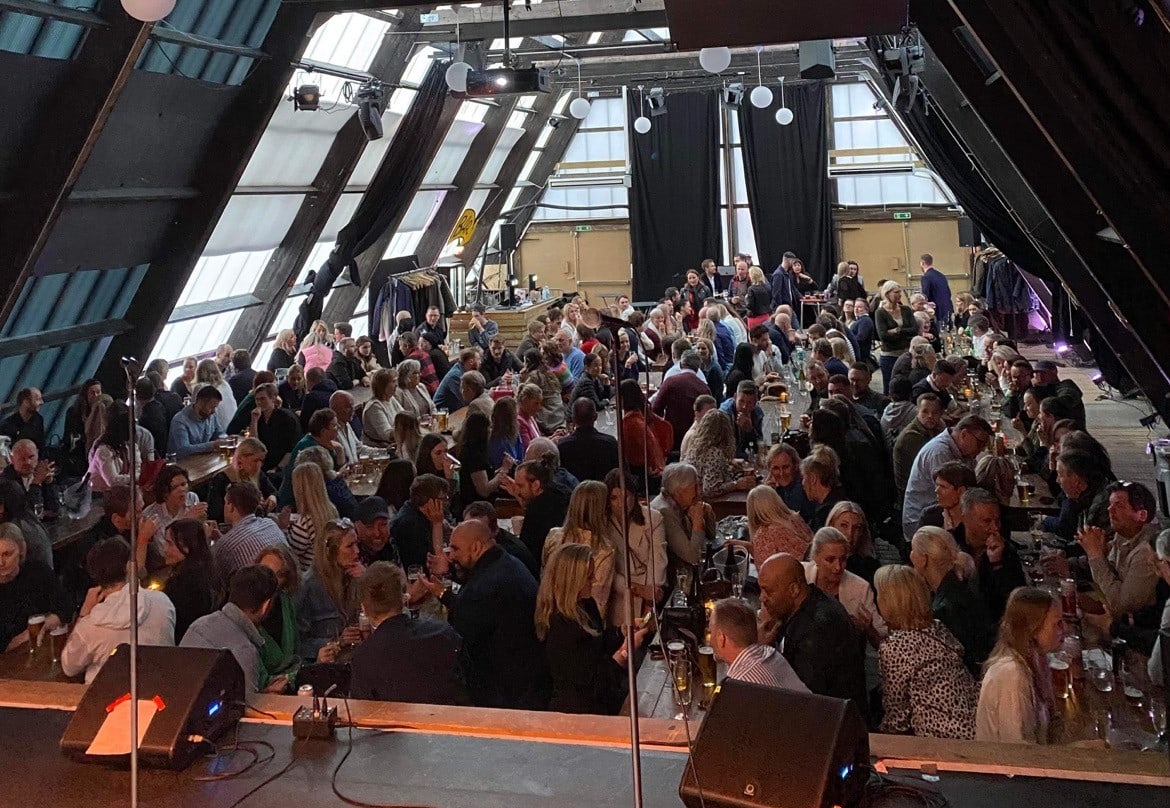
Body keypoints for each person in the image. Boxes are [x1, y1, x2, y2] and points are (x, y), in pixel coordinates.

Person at [414, 519, 547, 710]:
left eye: (455, 549)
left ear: (476, 547)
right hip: (528, 677)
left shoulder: (485, 587)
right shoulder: (507, 562)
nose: (451, 556)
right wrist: (443, 591)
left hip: (507, 694)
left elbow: (458, 636)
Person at [533, 542, 640, 714]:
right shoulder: (560, 626)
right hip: (579, 709)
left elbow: (598, 641)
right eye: (589, 577)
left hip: (603, 697)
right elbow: (593, 683)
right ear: (572, 581)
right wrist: (625, 652)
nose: (595, 580)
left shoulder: (586, 604)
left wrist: (622, 631)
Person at [874, 565, 978, 739]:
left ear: (889, 602)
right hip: (974, 722)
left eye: (879, 594)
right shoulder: (937, 627)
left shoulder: (894, 648)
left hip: (944, 738)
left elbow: (897, 718)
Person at [757, 553, 867, 708]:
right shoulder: (812, 600)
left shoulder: (815, 632)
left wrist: (762, 652)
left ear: (794, 590)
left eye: (768, 591)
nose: (761, 598)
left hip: (832, 716)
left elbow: (800, 699)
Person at [349, 562, 467, 704]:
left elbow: (362, 712)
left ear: (364, 608)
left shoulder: (363, 658)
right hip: (452, 716)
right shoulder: (442, 633)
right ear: (404, 598)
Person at [62, 538, 176, 683]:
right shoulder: (162, 602)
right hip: (160, 688)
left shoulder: (89, 626)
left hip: (106, 694)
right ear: (129, 566)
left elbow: (69, 667)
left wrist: (84, 613)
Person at [1056, 481, 1160, 620]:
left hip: (1136, 626)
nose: (1110, 509)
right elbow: (1109, 567)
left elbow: (1122, 605)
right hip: (1111, 612)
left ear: (1141, 515)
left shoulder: (1147, 552)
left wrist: (1095, 555)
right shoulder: (1124, 535)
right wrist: (1068, 564)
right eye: (1110, 504)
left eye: (1119, 505)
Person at [182, 565, 289, 694]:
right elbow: (243, 705)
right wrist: (271, 694)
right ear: (265, 605)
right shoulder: (245, 651)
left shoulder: (198, 625)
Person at [976, 588, 1063, 744]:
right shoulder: (1012, 676)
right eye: (1057, 624)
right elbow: (1019, 750)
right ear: (1034, 630)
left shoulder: (1038, 658)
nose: (1064, 629)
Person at [910, 526, 993, 674]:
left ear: (923, 559)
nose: (910, 556)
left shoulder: (942, 611)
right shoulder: (962, 586)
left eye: (913, 551)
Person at [902, 415, 993, 539]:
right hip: (922, 522)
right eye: (980, 443)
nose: (982, 449)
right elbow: (957, 496)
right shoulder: (940, 453)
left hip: (944, 510)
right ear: (964, 434)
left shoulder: (963, 451)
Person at [297, 518, 365, 661]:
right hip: (329, 663)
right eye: (350, 546)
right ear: (331, 553)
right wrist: (338, 641)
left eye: (356, 544)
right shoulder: (309, 587)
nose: (357, 551)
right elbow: (299, 644)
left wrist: (367, 580)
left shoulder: (357, 575)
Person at [708, 598, 808, 690]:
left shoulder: (739, 685)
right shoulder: (770, 653)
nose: (709, 641)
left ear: (721, 639)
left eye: (711, 631)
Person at [0, 528, 67, 651]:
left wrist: (54, 618)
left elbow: (66, 606)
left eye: (7, 554)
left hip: (46, 646)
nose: (1, 563)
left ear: (21, 550)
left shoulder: (38, 572)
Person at [500, 458, 571, 570]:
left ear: (536, 485)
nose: (517, 490)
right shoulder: (561, 491)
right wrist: (518, 495)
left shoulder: (538, 508)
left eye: (520, 486)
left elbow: (525, 551)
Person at [210, 483, 289, 584]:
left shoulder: (225, 545)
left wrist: (206, 540)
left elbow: (211, 577)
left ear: (231, 506)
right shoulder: (270, 523)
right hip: (289, 586)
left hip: (259, 591)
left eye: (225, 502)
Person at [161, 518, 218, 641]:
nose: (164, 549)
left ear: (187, 547)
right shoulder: (209, 571)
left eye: (170, 543)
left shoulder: (182, 585)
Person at [731, 485, 812, 570]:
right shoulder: (795, 517)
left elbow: (764, 571)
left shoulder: (764, 535)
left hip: (792, 575)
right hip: (810, 569)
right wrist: (749, 547)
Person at [682, 410, 754, 499]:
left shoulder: (696, 445)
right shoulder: (715, 453)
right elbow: (710, 490)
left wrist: (728, 469)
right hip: (701, 500)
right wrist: (736, 485)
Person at [651, 350, 710, 452]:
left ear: (681, 365)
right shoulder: (704, 388)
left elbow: (656, 408)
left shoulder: (670, 382)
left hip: (672, 435)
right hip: (694, 438)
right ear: (698, 368)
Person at [206, 438, 276, 523]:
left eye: (261, 461)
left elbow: (273, 492)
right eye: (255, 460)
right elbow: (214, 513)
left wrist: (272, 498)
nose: (259, 465)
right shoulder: (221, 479)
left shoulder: (258, 474)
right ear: (240, 458)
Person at [390, 474, 449, 571]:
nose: (446, 503)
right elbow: (434, 563)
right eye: (443, 499)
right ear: (430, 502)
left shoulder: (413, 510)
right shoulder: (411, 526)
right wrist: (437, 524)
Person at [557, 398, 619, 484]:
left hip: (574, 491)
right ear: (596, 416)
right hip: (603, 491)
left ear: (573, 419)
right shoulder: (610, 443)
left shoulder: (562, 446)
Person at [454, 412, 508, 511]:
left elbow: (486, 475)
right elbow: (484, 491)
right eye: (489, 427)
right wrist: (504, 470)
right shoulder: (474, 456)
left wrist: (501, 470)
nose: (491, 431)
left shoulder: (475, 450)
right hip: (478, 506)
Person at [874, 281, 919, 394]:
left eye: (900, 292)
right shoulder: (880, 312)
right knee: (889, 387)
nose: (899, 295)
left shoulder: (906, 310)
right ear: (887, 293)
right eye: (896, 292)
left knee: (907, 386)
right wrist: (905, 334)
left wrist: (897, 331)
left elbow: (914, 329)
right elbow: (883, 336)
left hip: (906, 354)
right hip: (889, 355)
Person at [87, 401, 140, 493]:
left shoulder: (129, 445)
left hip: (119, 492)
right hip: (98, 495)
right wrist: (135, 477)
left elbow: (137, 466)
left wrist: (134, 476)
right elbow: (112, 481)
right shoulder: (103, 449)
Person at [249, 383, 299, 475]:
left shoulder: (287, 418)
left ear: (273, 398)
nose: (259, 402)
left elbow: (292, 449)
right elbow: (254, 445)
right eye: (257, 399)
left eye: (262, 399)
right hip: (263, 463)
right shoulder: (258, 417)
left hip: (282, 466)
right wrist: (254, 421)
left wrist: (277, 468)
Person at [169, 385, 226, 459]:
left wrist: (226, 439)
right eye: (211, 407)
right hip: (182, 462)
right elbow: (184, 449)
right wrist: (213, 445)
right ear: (200, 402)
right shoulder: (180, 421)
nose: (214, 411)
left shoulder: (211, 416)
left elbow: (219, 433)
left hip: (202, 459)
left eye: (215, 407)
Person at [800, 447, 845, 530]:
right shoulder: (841, 499)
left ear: (813, 479)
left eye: (803, 477)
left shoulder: (825, 514)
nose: (802, 483)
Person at [433, 347, 480, 412]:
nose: (480, 362)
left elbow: (477, 389)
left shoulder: (466, 372)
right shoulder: (456, 376)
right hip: (443, 413)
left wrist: (490, 392)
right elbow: (466, 399)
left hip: (455, 409)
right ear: (471, 362)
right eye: (478, 359)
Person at [917, 254, 953, 324]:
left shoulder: (926, 277)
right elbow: (948, 293)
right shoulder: (941, 275)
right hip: (947, 309)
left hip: (935, 311)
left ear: (922, 263)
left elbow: (925, 295)